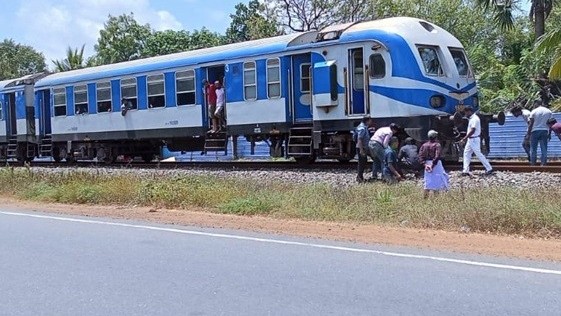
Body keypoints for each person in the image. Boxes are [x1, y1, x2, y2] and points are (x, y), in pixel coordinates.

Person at [460, 105, 494, 176]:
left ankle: (489, 168)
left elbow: (473, 130)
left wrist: (464, 138)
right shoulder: (472, 118)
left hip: (474, 139)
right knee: (466, 153)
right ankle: (465, 170)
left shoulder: (474, 119)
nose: (465, 114)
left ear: (469, 112)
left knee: (479, 154)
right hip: (471, 139)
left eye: (466, 112)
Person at [418, 130, 449, 198]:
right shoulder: (437, 145)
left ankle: (425, 198)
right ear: (435, 137)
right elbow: (437, 156)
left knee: (428, 182)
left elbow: (420, 156)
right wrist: (432, 165)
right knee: (436, 181)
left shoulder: (424, 145)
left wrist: (425, 165)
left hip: (427, 164)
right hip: (436, 164)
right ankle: (436, 198)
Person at [527, 100, 552, 165]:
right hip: (544, 130)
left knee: (533, 149)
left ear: (536, 103)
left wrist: (528, 133)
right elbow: (551, 123)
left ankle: (533, 164)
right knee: (544, 148)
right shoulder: (548, 111)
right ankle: (543, 164)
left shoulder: (534, 111)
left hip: (534, 131)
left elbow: (531, 123)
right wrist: (549, 133)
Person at [354, 116, 375, 183]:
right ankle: (359, 177)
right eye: (370, 120)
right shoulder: (362, 128)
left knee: (363, 161)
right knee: (361, 163)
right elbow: (359, 139)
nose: (371, 121)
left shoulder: (364, 127)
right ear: (367, 120)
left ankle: (360, 177)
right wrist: (361, 150)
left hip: (364, 147)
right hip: (362, 147)